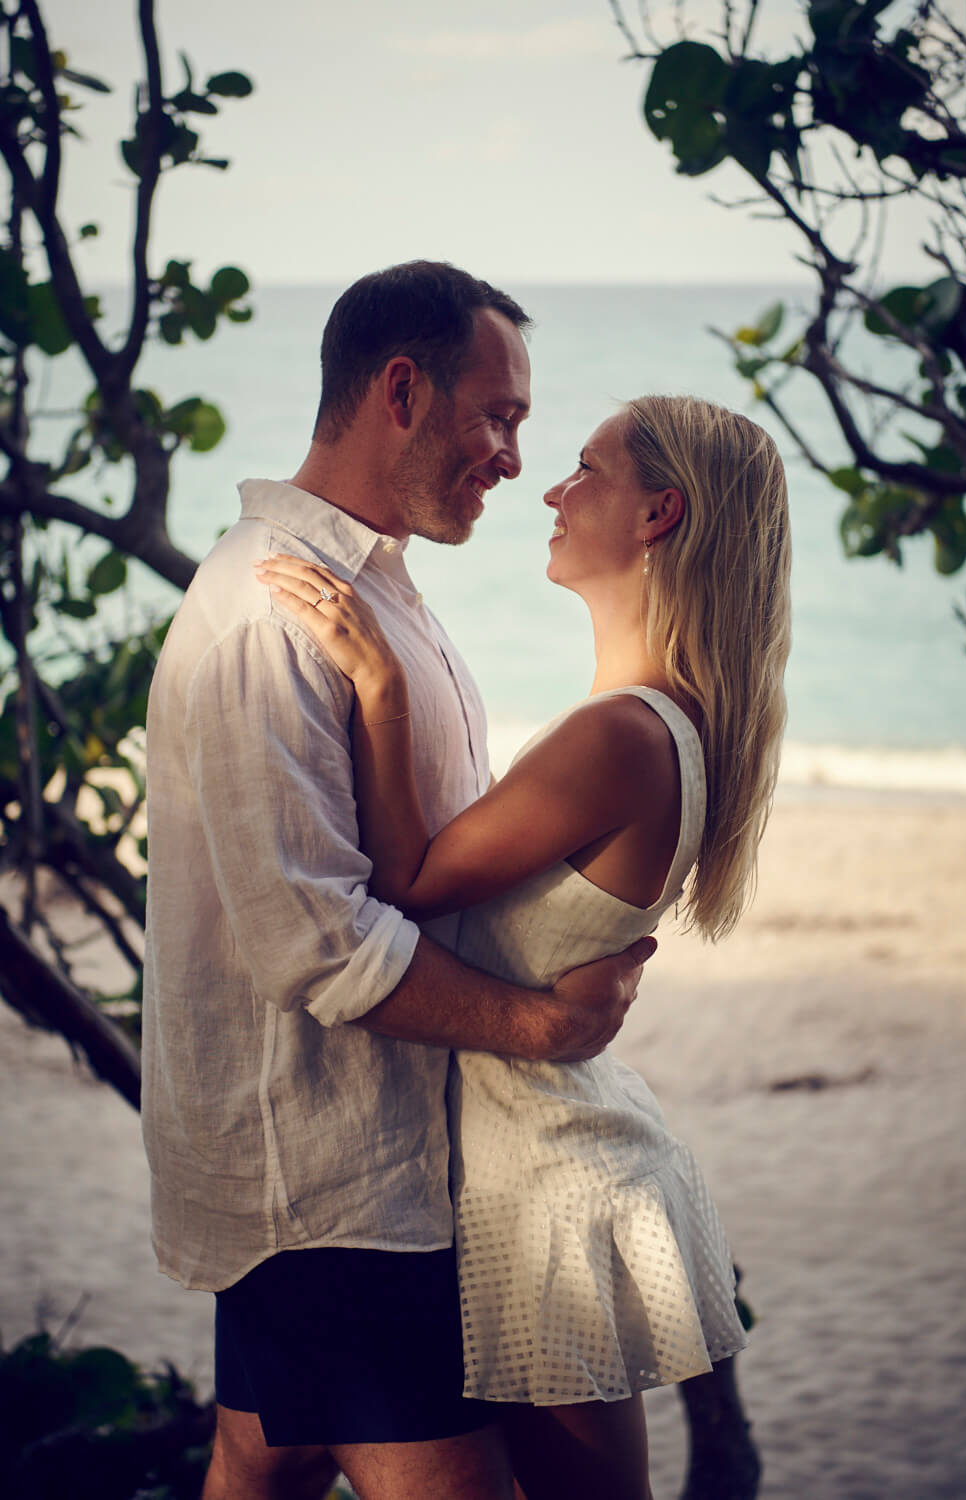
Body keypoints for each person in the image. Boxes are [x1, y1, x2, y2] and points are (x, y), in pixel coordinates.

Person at [141, 261, 657, 1500]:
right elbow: (316, 941)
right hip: (332, 1192)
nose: (512, 457)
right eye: (499, 415)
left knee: (258, 1461)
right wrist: (542, 1026)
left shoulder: (369, 593)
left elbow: (414, 861)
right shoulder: (271, 618)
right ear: (402, 389)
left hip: (364, 1169)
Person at [254, 391, 792, 1500]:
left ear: (658, 514)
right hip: (548, 1154)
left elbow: (402, 883)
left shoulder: (621, 735)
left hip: (545, 1184)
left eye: (586, 469)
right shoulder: (664, 722)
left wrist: (382, 681)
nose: (550, 489)